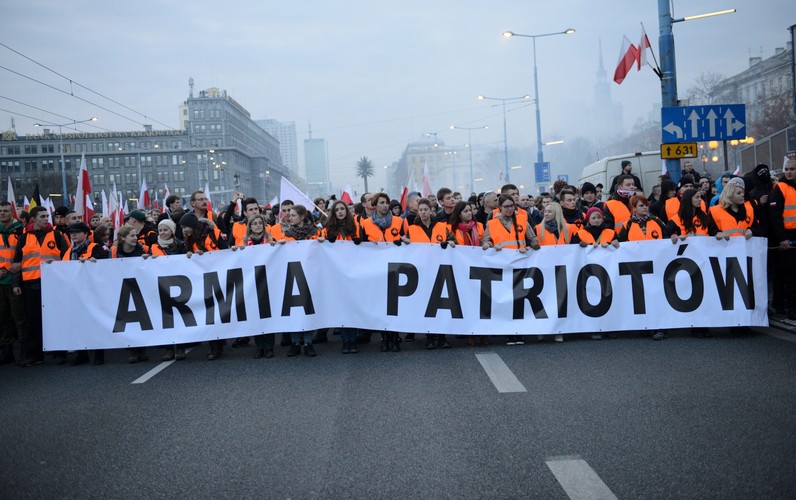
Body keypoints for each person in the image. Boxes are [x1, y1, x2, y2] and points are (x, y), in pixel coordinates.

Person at [13, 206, 70, 366]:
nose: (46, 219)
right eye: (43, 216)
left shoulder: (58, 235)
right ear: (33, 219)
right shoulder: (24, 238)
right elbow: (17, 263)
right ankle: (35, 354)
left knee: (55, 318)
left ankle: (59, 352)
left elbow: (67, 258)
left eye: (47, 216)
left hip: (53, 284)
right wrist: (16, 283)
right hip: (31, 284)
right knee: (33, 320)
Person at [482, 195, 540, 346]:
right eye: (506, 206)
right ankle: (509, 333)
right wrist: (489, 244)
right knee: (506, 300)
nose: (509, 209)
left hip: (520, 264)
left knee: (519, 298)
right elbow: (486, 240)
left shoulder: (522, 219)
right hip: (502, 266)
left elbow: (532, 238)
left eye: (511, 206)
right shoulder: (492, 223)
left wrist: (532, 245)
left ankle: (519, 332)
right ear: (500, 207)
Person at [403, 198, 454, 349]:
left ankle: (442, 336)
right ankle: (430, 336)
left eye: (426, 209)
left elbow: (453, 240)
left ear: (431, 211)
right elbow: (406, 249)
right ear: (418, 212)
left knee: (441, 305)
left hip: (440, 271)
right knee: (427, 306)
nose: (424, 212)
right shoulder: (412, 229)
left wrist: (451, 242)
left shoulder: (441, 226)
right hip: (422, 272)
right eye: (421, 210)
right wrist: (404, 242)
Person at [180, 211, 229, 360]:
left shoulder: (213, 233)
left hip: (218, 276)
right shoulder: (189, 239)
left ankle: (218, 344)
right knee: (209, 313)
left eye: (185, 227)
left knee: (217, 312)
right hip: (202, 280)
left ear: (192, 226)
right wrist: (189, 254)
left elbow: (225, 249)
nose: (183, 230)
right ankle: (214, 346)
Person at [274, 205, 319, 357]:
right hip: (292, 274)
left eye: (293, 215)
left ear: (302, 217)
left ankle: (308, 343)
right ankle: (295, 343)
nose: (289, 217)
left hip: (310, 275)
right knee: (294, 309)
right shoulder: (286, 235)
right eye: (289, 215)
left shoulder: (315, 233)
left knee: (308, 308)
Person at [319, 200, 361, 354]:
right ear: (334, 213)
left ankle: (353, 340)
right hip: (337, 274)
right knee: (342, 308)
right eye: (337, 210)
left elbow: (365, 247)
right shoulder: (328, 229)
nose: (341, 212)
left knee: (353, 306)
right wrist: (326, 242)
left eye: (343, 209)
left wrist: (360, 242)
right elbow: (320, 246)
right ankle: (346, 340)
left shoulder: (355, 227)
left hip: (353, 273)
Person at [64, 221, 109, 365]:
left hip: (92, 291)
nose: (74, 235)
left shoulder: (95, 248)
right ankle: (81, 354)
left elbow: (104, 267)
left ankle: (98, 353)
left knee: (95, 321)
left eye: (76, 232)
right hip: (76, 292)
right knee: (78, 322)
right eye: (71, 233)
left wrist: (93, 263)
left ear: (86, 234)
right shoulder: (70, 251)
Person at [768, 159, 796, 319]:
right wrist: (782, 238)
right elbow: (775, 216)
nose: (788, 172)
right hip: (787, 236)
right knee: (790, 275)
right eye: (786, 169)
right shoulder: (780, 188)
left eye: (792, 169)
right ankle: (791, 308)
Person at [0, 202, 26, 365]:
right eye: (0, 211)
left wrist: (20, 265)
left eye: (5, 211)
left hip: (16, 280)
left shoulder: (20, 231)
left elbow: (29, 252)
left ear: (13, 213)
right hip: (1, 281)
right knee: (2, 318)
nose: (2, 213)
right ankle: (6, 351)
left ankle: (24, 351)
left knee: (19, 317)